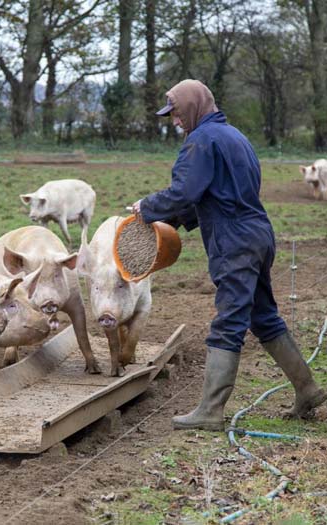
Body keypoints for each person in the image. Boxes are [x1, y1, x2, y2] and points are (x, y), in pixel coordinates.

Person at [131, 79, 326, 431]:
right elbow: (214, 193)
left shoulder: (200, 141)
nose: (174, 120)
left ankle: (210, 411)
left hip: (233, 241)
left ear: (191, 106)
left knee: (229, 320)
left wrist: (147, 207)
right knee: (263, 316)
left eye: (176, 112)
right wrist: (174, 218)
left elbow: (184, 191)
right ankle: (308, 389)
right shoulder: (235, 137)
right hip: (258, 234)